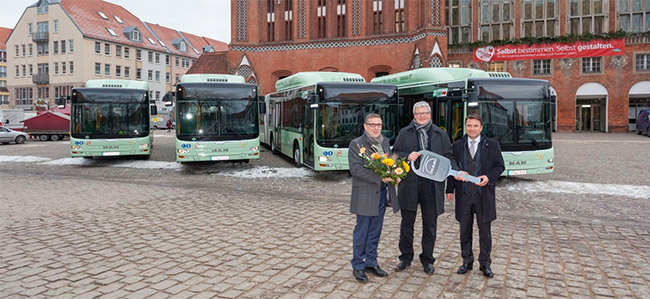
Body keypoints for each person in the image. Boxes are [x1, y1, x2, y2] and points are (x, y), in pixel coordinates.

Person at [392, 101, 459, 275]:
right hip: (410, 185)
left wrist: (455, 171)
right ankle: (405, 258)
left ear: (430, 114)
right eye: (418, 113)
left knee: (430, 226)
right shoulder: (404, 133)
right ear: (413, 116)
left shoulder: (440, 134)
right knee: (407, 225)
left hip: (432, 186)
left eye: (425, 113)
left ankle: (427, 259)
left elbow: (449, 156)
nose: (422, 116)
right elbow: (395, 153)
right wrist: (407, 156)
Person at [446, 114, 505, 278]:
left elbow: (500, 166)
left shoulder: (492, 145)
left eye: (475, 126)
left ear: (481, 127)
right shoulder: (457, 145)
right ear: (466, 126)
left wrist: (489, 177)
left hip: (483, 195)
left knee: (485, 232)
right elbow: (452, 167)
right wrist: (449, 189)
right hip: (464, 195)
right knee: (464, 230)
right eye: (469, 125)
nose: (471, 129)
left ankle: (485, 263)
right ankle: (467, 261)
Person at [348, 113, 400, 283]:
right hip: (364, 194)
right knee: (362, 230)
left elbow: (389, 164)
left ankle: (371, 262)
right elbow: (356, 170)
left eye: (379, 124)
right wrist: (380, 179)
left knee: (375, 231)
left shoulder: (384, 142)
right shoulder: (356, 144)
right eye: (373, 124)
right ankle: (358, 265)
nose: (376, 128)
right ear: (365, 126)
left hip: (381, 195)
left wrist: (394, 174)